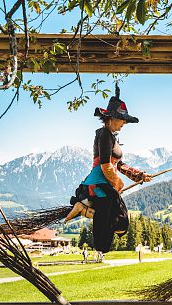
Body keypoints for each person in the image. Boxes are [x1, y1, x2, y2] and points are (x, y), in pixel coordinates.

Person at [64, 85, 152, 253]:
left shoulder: (111, 136)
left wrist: (139, 175)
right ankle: (85, 209)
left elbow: (118, 164)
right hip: (100, 184)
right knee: (116, 224)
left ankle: (85, 208)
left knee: (119, 222)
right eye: (122, 118)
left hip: (106, 183)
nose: (125, 122)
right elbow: (105, 165)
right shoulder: (104, 134)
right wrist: (117, 183)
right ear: (111, 117)